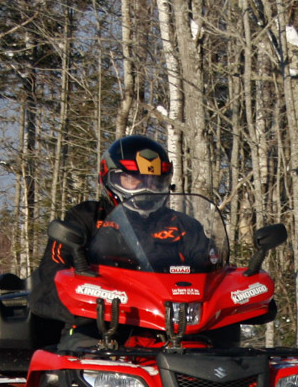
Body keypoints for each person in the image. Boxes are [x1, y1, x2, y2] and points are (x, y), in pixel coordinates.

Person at [31, 135, 222, 349]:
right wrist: (91, 302)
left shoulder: (183, 226)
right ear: (110, 177)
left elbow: (214, 274)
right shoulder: (86, 218)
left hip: (177, 331)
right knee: (82, 357)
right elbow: (52, 274)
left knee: (224, 355)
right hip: (102, 328)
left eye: (155, 181)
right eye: (134, 179)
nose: (146, 189)